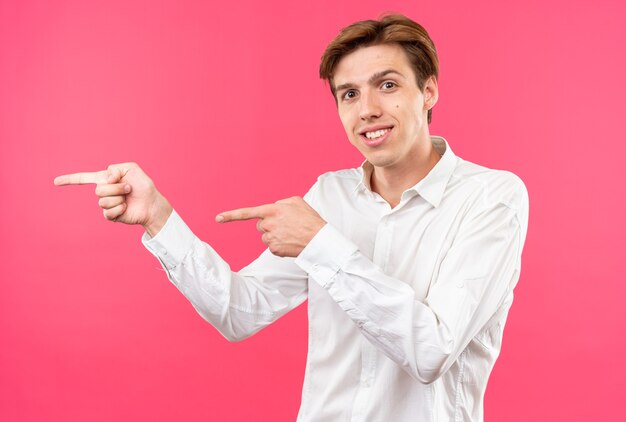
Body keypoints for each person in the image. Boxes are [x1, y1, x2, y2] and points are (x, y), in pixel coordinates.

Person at [54, 14, 528, 422]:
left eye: (387, 85)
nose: (367, 110)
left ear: (428, 91)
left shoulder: (492, 198)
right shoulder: (329, 195)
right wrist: (158, 218)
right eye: (348, 94)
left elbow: (433, 350)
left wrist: (321, 243)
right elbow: (239, 311)